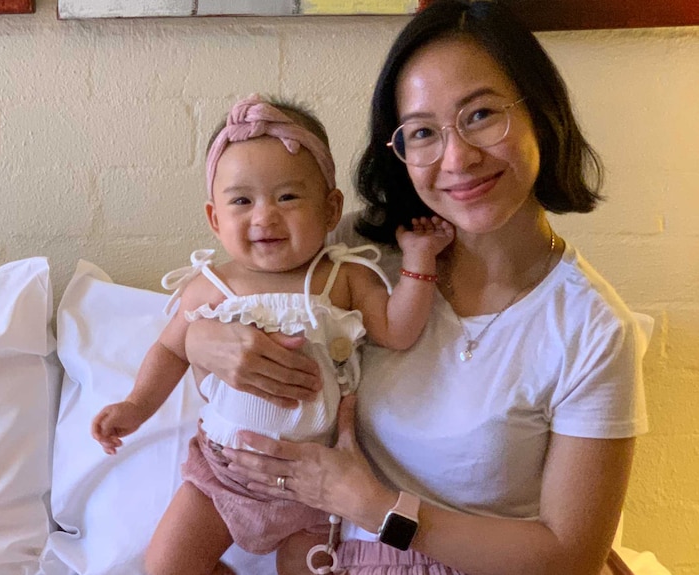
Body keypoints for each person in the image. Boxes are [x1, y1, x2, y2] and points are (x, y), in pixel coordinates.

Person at [183, 2, 650, 575]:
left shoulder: (593, 328)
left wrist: (374, 506)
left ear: (541, 114)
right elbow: (219, 290)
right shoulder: (356, 254)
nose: (457, 157)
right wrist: (200, 341)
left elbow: (569, 554)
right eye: (423, 131)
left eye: (481, 115)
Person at [91, 94, 455, 575]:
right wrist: (136, 405)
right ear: (215, 219)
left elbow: (398, 331)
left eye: (287, 197)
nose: (264, 217)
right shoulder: (210, 287)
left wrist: (419, 260)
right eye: (242, 201)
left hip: (313, 481)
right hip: (221, 474)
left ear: (330, 210)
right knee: (166, 565)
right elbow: (168, 348)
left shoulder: (340, 278)